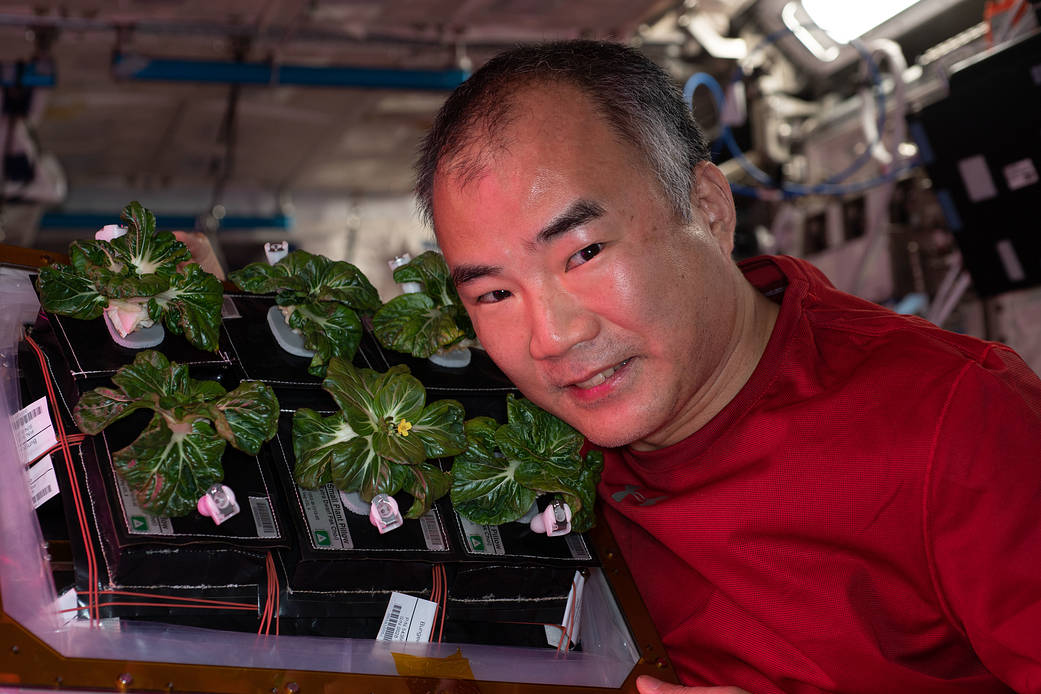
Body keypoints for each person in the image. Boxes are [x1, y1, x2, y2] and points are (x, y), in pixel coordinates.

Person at [414, 40, 1041, 693]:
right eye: (493, 294)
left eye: (584, 252)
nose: (552, 336)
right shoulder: (522, 461)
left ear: (708, 210)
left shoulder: (954, 418)